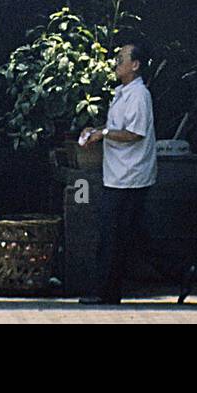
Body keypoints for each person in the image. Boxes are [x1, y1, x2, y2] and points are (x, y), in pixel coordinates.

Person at [79, 41, 157, 305]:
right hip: (117, 174)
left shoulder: (139, 96)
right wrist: (96, 131)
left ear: (135, 65)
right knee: (114, 233)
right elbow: (115, 127)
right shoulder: (122, 92)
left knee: (113, 235)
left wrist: (104, 134)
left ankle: (107, 292)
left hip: (130, 176)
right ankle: (108, 290)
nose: (116, 63)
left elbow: (135, 133)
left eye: (121, 59)